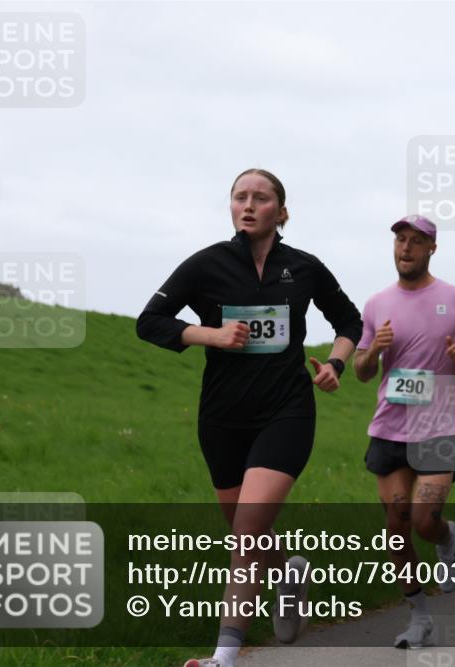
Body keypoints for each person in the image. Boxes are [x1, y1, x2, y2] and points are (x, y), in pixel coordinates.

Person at [137, 168, 363, 667]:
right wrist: (210, 335)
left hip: (286, 411)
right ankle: (286, 573)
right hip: (221, 418)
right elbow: (148, 322)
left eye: (261, 198)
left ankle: (223, 655)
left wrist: (336, 363)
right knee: (246, 528)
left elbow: (350, 321)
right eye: (240, 196)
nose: (248, 204)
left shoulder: (304, 268)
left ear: (281, 213)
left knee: (246, 529)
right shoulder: (206, 265)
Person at [354, 214, 455, 649]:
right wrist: (374, 348)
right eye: (399, 240)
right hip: (390, 427)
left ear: (432, 248)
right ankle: (419, 616)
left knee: (425, 519)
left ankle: (447, 539)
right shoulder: (376, 304)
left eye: (415, 242)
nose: (405, 248)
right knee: (397, 524)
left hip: (437, 427)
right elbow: (360, 370)